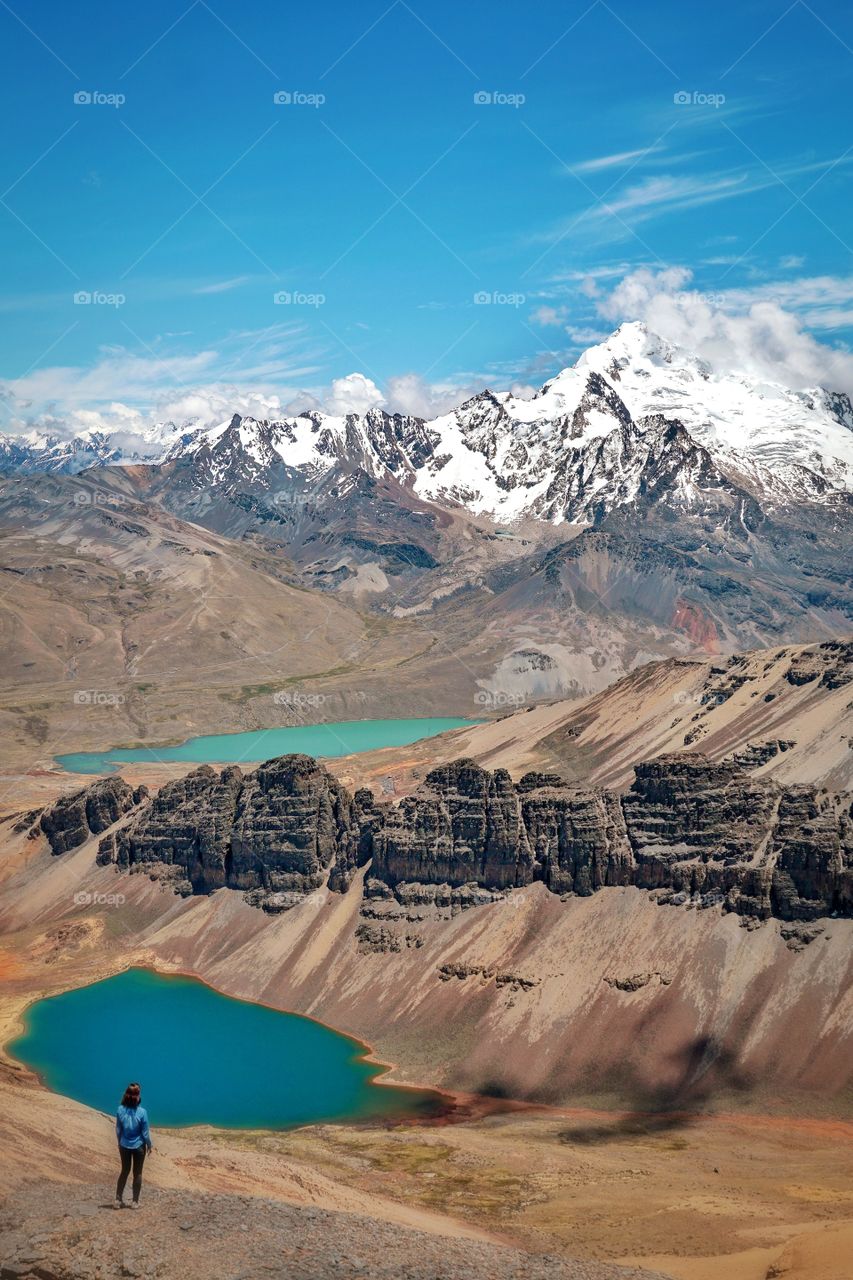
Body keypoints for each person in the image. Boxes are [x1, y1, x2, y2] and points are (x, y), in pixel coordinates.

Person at [114, 1082, 152, 1209]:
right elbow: (145, 1132)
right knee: (138, 1173)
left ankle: (118, 1200)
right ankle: (135, 1202)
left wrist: (120, 1142)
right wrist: (149, 1145)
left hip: (124, 1145)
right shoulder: (142, 1112)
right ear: (138, 1095)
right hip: (139, 1147)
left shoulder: (120, 1110)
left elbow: (118, 1129)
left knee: (124, 1171)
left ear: (126, 1095)